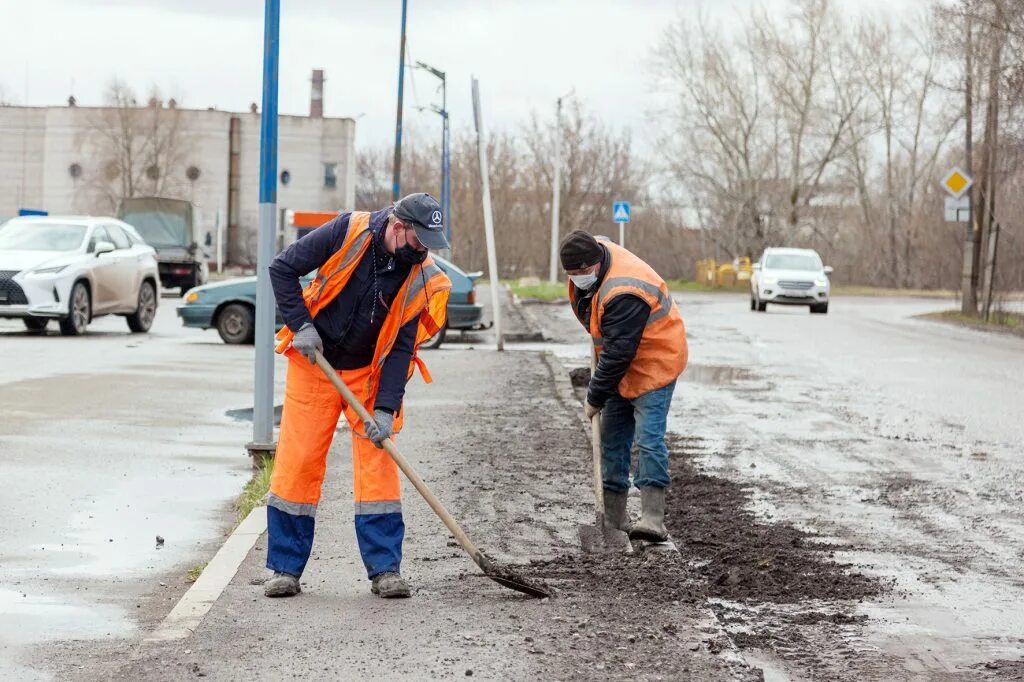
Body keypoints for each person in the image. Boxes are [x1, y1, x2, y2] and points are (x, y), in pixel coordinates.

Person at [263, 193, 451, 599]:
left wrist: (385, 409)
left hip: (369, 373)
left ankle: (385, 569)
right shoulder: (348, 230)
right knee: (299, 462)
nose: (424, 251)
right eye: (419, 240)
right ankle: (284, 568)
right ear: (398, 228)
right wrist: (300, 325)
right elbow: (282, 268)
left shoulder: (421, 276)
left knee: (378, 466)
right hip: (317, 364)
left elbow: (402, 348)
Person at [560, 230, 687, 542]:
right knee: (612, 441)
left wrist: (594, 396)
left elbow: (619, 353)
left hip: (655, 362)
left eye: (583, 273)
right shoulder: (590, 257)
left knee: (648, 439)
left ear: (597, 263)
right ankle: (615, 520)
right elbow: (611, 343)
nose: (579, 278)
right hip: (619, 363)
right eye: (572, 274)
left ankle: (653, 518)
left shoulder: (625, 290)